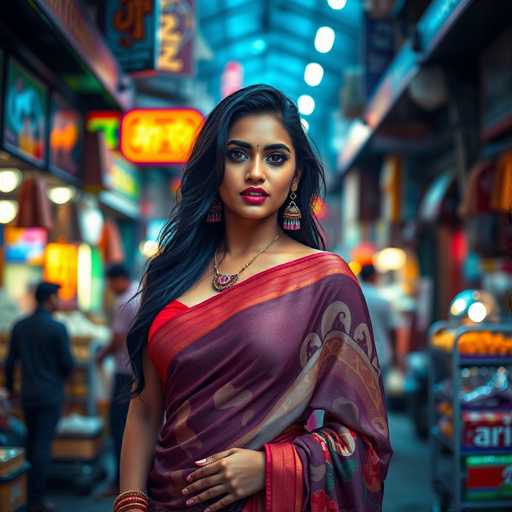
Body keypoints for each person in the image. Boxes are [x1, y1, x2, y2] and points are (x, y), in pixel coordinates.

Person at [116, 85, 392, 512]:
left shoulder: (325, 282)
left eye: (276, 157)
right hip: (164, 500)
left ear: (296, 175)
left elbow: (364, 443)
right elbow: (146, 407)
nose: (256, 172)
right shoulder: (170, 271)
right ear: (215, 166)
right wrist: (130, 502)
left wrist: (271, 468)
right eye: (238, 154)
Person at [5, 281, 74, 512]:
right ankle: (37, 500)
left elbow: (9, 362)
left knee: (31, 442)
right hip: (50, 395)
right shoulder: (57, 328)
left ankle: (23, 495)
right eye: (56, 297)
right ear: (49, 299)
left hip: (27, 394)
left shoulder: (20, 325)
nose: (59, 302)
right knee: (43, 446)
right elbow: (67, 365)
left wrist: (11, 390)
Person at [97, 263, 139, 495]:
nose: (110, 287)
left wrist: (100, 357)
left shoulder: (124, 300)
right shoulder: (139, 292)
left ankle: (120, 484)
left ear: (119, 279)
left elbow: (116, 340)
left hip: (125, 373)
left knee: (119, 428)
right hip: (138, 371)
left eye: (111, 282)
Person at [359, 263, 400, 380]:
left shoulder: (355, 296)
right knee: (381, 394)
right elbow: (393, 329)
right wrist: (396, 355)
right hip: (382, 354)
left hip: (360, 354)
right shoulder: (383, 301)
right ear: (374, 277)